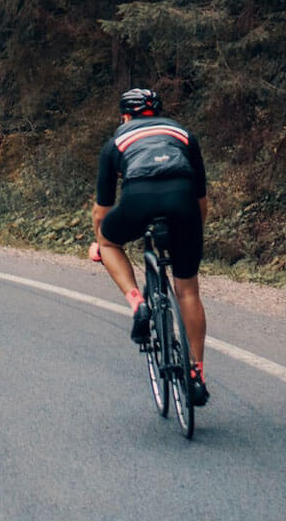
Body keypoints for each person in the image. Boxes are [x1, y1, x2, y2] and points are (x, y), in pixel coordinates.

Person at [90, 87, 210, 405]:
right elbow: (202, 201)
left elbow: (102, 211)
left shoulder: (115, 142)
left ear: (125, 117)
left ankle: (137, 303)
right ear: (158, 113)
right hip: (184, 203)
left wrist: (98, 241)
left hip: (138, 198)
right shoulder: (183, 135)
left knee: (108, 240)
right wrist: (193, 231)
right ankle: (196, 373)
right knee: (188, 291)